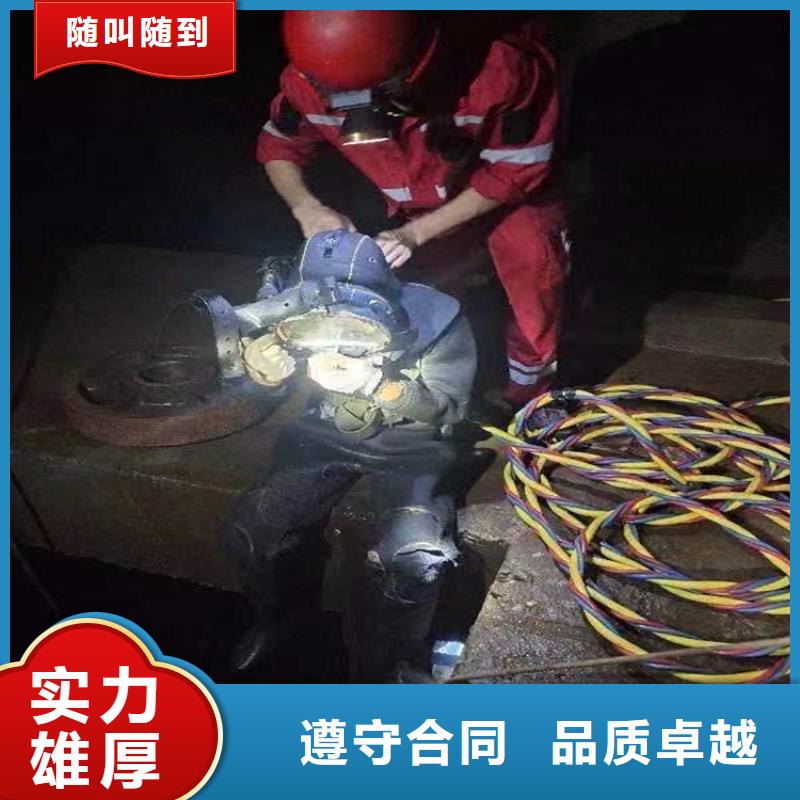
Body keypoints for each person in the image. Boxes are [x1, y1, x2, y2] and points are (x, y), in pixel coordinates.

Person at [256, 10, 569, 408]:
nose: (361, 113)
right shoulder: (308, 82)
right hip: (421, 205)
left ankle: (532, 401)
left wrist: (415, 234)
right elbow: (279, 147)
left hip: (517, 197)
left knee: (533, 279)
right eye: (344, 101)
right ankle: (423, 393)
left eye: (383, 94)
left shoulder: (499, 70)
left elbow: (514, 173)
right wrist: (307, 207)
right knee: (422, 298)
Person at [223, 229, 480, 681]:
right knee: (253, 526)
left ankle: (395, 663)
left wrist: (378, 385)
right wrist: (263, 371)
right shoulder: (293, 309)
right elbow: (257, 386)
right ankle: (276, 620)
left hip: (412, 442)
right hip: (325, 428)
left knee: (414, 558)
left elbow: (449, 408)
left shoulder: (437, 319)